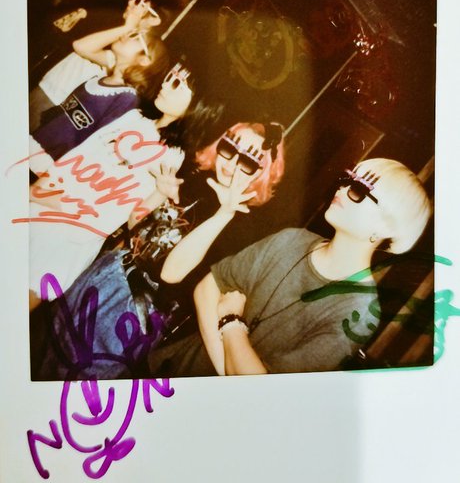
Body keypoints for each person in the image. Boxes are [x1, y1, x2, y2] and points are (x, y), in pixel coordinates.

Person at [33, 122, 285, 380]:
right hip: (107, 272)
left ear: (262, 172)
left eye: (248, 161)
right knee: (46, 345)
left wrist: (224, 213)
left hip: (134, 307)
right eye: (229, 148)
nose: (231, 162)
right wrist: (159, 193)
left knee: (73, 376)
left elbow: (171, 273)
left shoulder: (243, 225)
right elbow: (135, 225)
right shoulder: (197, 179)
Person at [145, 157, 432, 377]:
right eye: (347, 179)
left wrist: (231, 322)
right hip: (163, 372)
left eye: (359, 190)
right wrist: (229, 373)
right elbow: (207, 289)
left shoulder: (357, 311)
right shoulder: (292, 239)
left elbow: (264, 389)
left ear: (386, 226)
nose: (343, 189)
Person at [28, 60, 221, 310]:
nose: (166, 85)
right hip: (39, 206)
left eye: (178, 84)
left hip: (66, 237)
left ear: (197, 107)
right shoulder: (135, 116)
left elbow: (113, 214)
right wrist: (38, 190)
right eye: (170, 76)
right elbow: (77, 157)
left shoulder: (170, 156)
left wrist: (160, 194)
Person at [29, 0, 169, 173]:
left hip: (57, 112)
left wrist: (129, 27)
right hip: (52, 101)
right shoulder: (118, 30)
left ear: (154, 19)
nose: (132, 6)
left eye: (140, 4)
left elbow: (96, 139)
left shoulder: (131, 55)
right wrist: (127, 25)